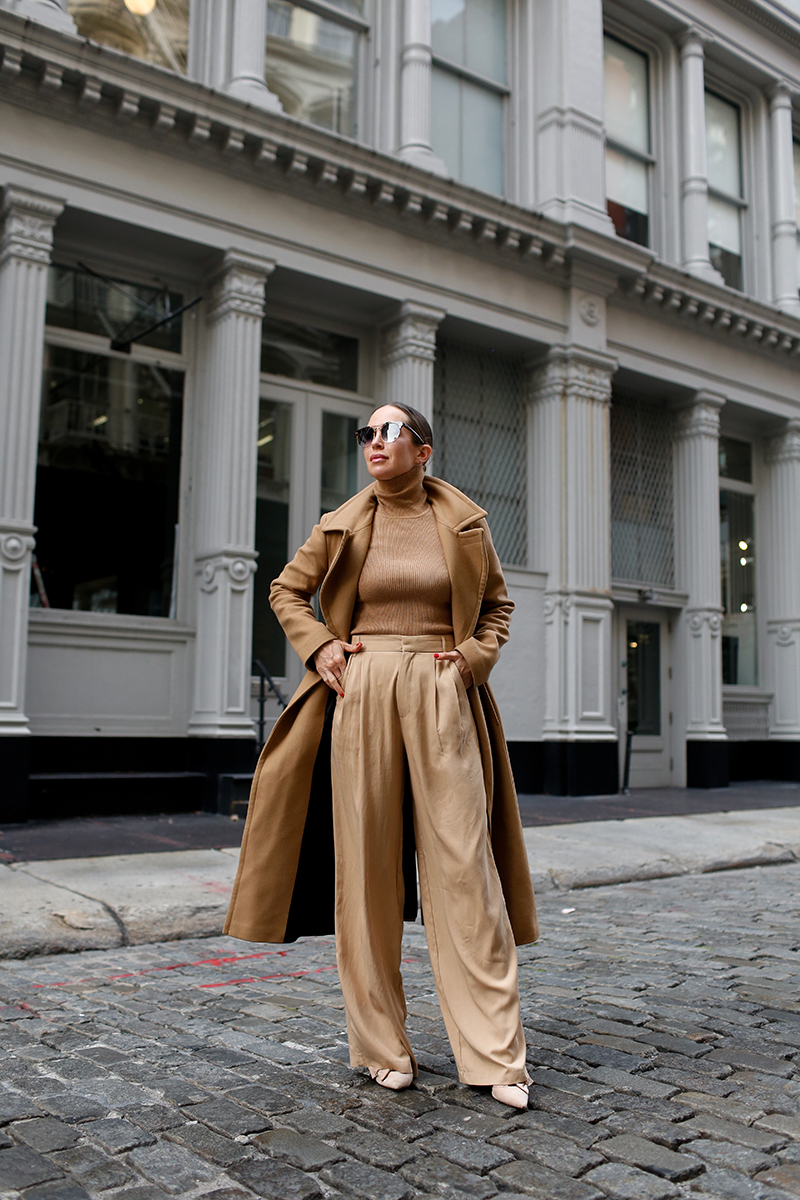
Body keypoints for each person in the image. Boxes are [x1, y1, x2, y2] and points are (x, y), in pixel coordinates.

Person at [224, 403, 538, 1109]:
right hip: (360, 687)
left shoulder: (464, 522)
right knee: (363, 870)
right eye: (366, 432)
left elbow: (496, 608)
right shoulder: (341, 521)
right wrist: (321, 645)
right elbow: (286, 589)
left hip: (440, 684)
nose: (374, 441)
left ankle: (494, 1055)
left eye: (389, 431)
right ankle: (379, 1046)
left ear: (423, 449)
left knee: (465, 867)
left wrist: (470, 662)